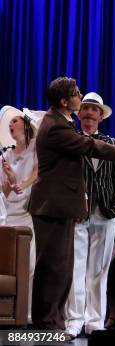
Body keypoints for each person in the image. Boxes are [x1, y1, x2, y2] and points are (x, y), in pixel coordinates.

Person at [28, 77, 115, 334]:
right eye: (78, 96)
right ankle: (60, 323)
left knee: (84, 269)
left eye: (93, 108)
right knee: (60, 267)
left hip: (95, 211)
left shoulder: (64, 125)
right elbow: (90, 147)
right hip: (64, 209)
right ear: (67, 102)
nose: (83, 103)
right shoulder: (59, 128)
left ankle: (88, 322)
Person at [62, 92, 115, 338]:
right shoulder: (70, 140)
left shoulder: (112, 143)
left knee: (99, 270)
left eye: (94, 109)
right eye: (85, 108)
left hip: (105, 212)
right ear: (79, 113)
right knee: (75, 268)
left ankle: (95, 321)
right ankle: (74, 321)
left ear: (101, 116)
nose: (89, 112)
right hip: (77, 213)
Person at [0, 106, 40, 323]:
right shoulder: (6, 154)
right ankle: (11, 315)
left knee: (30, 266)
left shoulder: (34, 148)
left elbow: (37, 172)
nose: (10, 125)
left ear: (25, 124)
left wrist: (21, 184)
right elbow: (5, 191)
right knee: (10, 267)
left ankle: (27, 314)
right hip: (9, 217)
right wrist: (10, 179)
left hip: (28, 216)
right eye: (9, 123)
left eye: (15, 121)